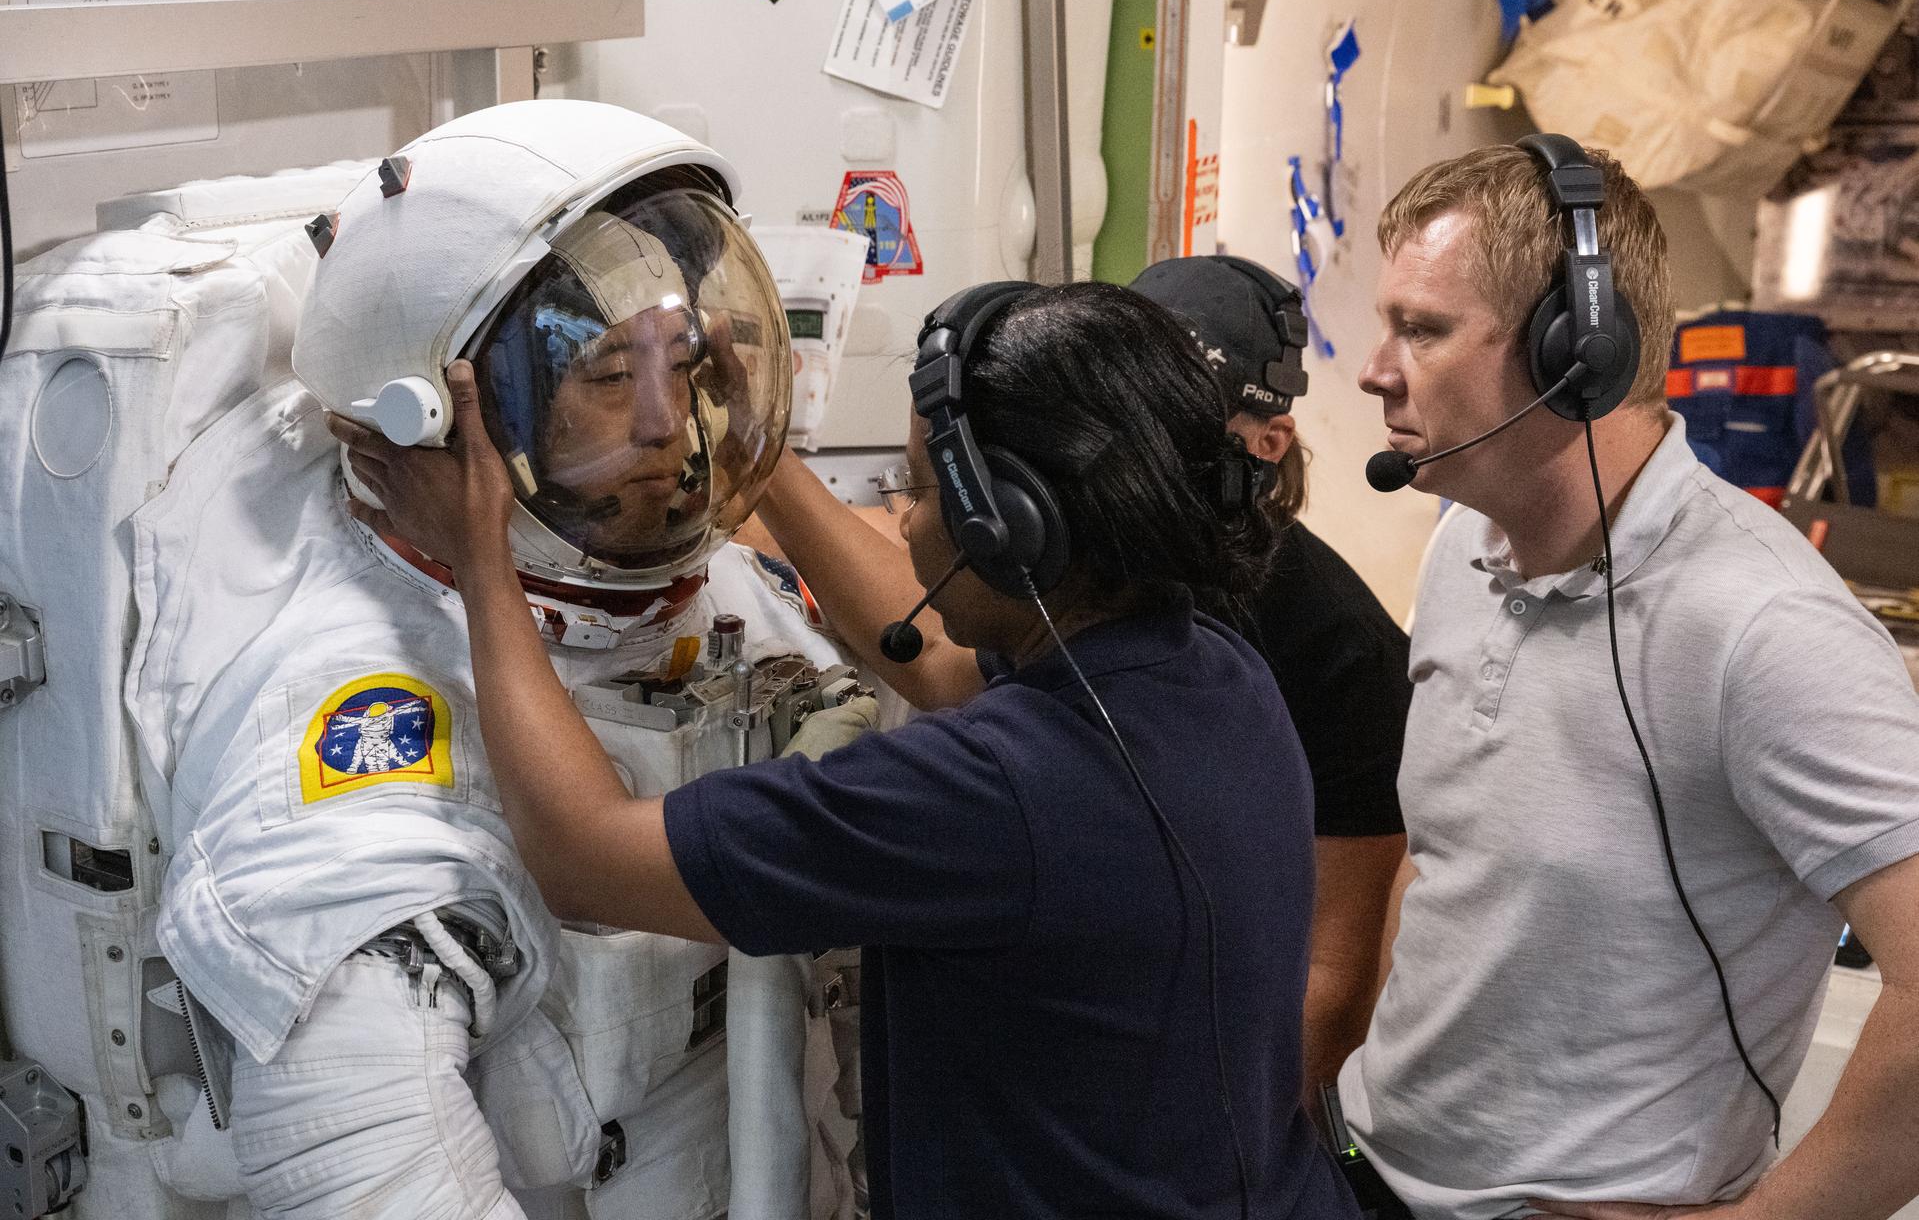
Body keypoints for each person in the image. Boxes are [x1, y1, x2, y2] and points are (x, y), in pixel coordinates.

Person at [334, 278, 1364, 1219]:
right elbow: (935, 667)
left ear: (1013, 530)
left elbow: (582, 854)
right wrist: (756, 459)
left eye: (916, 490)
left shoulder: (994, 793)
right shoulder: (1207, 666)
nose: (903, 521)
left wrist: (480, 558)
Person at [136, 100, 860, 1219]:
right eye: (609, 378)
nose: (670, 425)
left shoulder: (720, 584)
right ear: (438, 419)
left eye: (683, 366)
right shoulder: (361, 732)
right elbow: (364, 1173)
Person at [1340, 137, 1919, 1220]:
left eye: (1420, 329)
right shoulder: (1462, 539)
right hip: (1368, 1170)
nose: (1373, 368)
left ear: (1577, 353)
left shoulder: (1764, 627)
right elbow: (1444, 862)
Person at [745, 252, 1411, 1089]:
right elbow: (942, 645)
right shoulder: (1093, 583)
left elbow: (1328, 987)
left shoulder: (1335, 650)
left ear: (1267, 446)